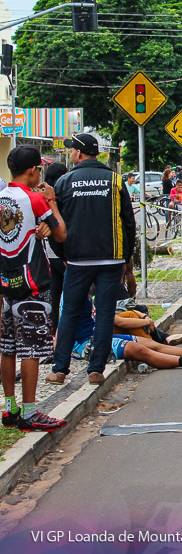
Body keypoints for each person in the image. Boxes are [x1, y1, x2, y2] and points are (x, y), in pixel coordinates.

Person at [46, 133, 136, 386]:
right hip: (111, 259)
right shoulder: (115, 180)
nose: (71, 153)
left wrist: (63, 255)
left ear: (79, 153)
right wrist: (125, 258)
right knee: (105, 313)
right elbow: (128, 222)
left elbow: (56, 223)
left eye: (73, 149)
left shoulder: (64, 182)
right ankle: (96, 370)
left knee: (70, 313)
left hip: (77, 260)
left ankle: (60, 369)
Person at [0, 146, 68, 432]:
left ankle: (10, 407)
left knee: (7, 347)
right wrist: (51, 202)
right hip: (32, 284)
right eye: (39, 168)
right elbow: (61, 233)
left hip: (5, 283)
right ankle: (30, 411)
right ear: (32, 171)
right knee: (30, 348)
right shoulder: (35, 199)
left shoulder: (1, 197)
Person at [42, 162, 68, 323]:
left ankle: (54, 332)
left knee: (54, 296)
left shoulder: (40, 198)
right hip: (63, 255)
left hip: (48, 256)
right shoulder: (61, 198)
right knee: (71, 298)